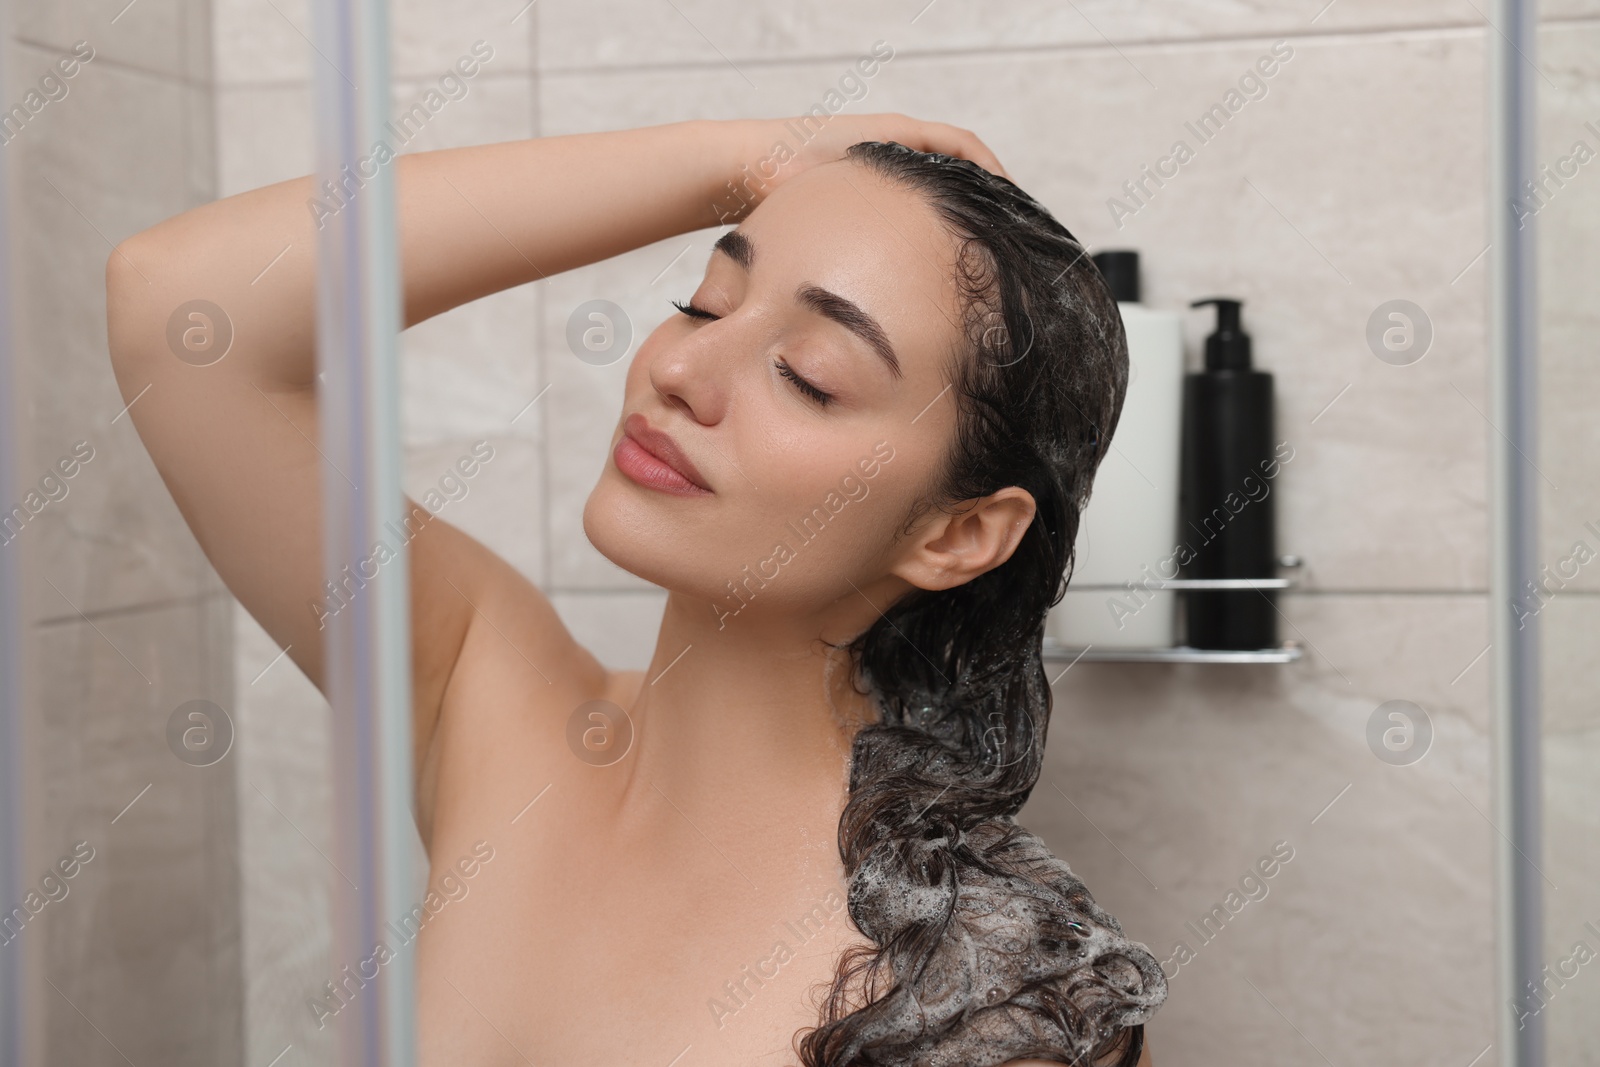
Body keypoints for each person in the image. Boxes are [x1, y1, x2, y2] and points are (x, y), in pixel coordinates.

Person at [105, 113, 1164, 1066]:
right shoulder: (500, 715)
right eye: (704, 301)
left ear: (958, 532)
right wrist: (745, 163)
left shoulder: (991, 1001)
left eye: (808, 373)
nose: (679, 369)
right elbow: (182, 313)